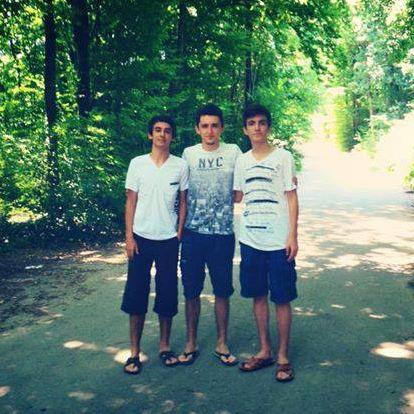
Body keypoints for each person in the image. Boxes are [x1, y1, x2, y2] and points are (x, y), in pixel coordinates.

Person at [233, 103, 299, 382]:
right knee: (258, 295)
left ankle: (283, 357)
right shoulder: (241, 161)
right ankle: (265, 350)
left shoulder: (283, 157)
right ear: (245, 129)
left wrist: (292, 235)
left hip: (278, 241)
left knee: (282, 297)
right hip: (251, 240)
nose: (257, 127)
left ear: (268, 127)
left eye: (262, 122)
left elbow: (292, 197)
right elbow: (237, 196)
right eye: (252, 123)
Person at [121, 115, 188, 374]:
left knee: (167, 292)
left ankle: (164, 346)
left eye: (167, 131)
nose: (162, 134)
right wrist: (129, 237)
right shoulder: (137, 164)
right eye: (157, 130)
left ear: (172, 136)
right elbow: (130, 201)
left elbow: (183, 201)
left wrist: (179, 232)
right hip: (141, 238)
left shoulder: (180, 166)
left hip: (168, 240)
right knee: (136, 293)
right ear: (150, 134)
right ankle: (134, 353)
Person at [178, 104, 241, 366]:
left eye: (215, 125)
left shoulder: (234, 152)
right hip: (193, 233)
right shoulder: (188, 154)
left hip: (222, 234)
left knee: (222, 290)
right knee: (191, 290)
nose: (210, 131)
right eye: (204, 126)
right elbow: (180, 193)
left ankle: (221, 343)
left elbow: (242, 189)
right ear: (197, 129)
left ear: (222, 128)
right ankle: (190, 342)